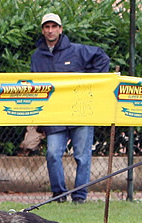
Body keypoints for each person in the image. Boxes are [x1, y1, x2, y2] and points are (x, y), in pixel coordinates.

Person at [30, 13, 110, 203]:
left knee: (82, 156)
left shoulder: (78, 51)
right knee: (52, 154)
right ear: (43, 30)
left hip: (80, 112)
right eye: (47, 27)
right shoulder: (37, 56)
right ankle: (59, 195)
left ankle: (80, 196)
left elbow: (103, 59)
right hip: (54, 114)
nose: (50, 30)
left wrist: (88, 84)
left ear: (61, 29)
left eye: (54, 26)